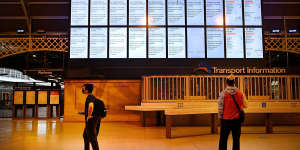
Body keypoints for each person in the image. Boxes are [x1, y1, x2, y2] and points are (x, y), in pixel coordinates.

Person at [218, 74, 247, 150]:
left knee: (223, 140)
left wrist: (220, 118)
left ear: (226, 82)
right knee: (236, 140)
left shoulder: (223, 93)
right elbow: (245, 105)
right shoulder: (240, 93)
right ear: (234, 82)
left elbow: (220, 108)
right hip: (237, 120)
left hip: (225, 120)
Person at [82, 84, 105, 150]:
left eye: (83, 88)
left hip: (91, 121)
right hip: (92, 119)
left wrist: (89, 115)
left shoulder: (90, 97)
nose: (83, 90)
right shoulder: (92, 97)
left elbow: (91, 106)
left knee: (93, 139)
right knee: (85, 136)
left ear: (87, 90)